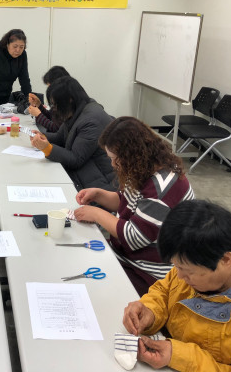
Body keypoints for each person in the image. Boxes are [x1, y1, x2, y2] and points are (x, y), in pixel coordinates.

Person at [123, 200, 231, 371]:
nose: (179, 276)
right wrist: (150, 311)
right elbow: (166, 289)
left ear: (226, 260)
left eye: (187, 271)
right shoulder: (200, 251)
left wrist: (177, 356)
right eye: (176, 266)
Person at [74, 116, 194, 295]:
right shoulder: (143, 167)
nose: (113, 165)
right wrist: (99, 195)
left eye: (115, 159)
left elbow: (134, 237)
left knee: (93, 291)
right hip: (129, 257)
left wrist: (97, 214)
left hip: (151, 272)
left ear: (132, 154)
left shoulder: (162, 187)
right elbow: (127, 202)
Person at [30, 76, 116, 191]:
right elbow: (60, 137)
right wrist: (42, 136)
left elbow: (76, 159)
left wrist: (48, 149)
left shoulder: (91, 121)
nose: (54, 108)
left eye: (56, 104)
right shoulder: (76, 110)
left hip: (98, 184)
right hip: (84, 176)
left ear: (69, 100)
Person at [27, 65, 70, 132]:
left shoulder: (67, 102)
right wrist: (39, 105)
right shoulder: (60, 98)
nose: (49, 90)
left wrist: (38, 115)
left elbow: (56, 129)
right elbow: (51, 117)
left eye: (50, 87)